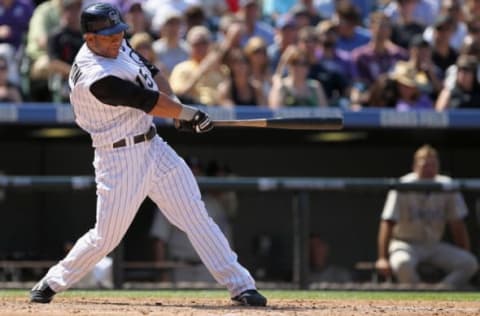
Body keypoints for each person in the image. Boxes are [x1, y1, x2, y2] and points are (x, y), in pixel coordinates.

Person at [29, 3, 267, 307]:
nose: (118, 40)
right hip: (119, 159)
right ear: (90, 39)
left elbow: (151, 73)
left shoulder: (116, 46)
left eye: (119, 34)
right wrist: (188, 113)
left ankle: (240, 285)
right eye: (109, 36)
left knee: (196, 215)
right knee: (106, 238)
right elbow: (145, 99)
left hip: (154, 147)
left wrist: (178, 106)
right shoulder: (95, 77)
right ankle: (51, 282)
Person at [375, 145, 478, 289]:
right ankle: (418, 293)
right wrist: (382, 258)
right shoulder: (402, 185)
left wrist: (464, 251)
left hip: (433, 244)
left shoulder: (447, 185)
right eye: (425, 165)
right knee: (402, 263)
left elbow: (457, 224)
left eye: (433, 165)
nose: (429, 169)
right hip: (405, 243)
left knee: (469, 263)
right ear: (415, 166)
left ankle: (441, 291)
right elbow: (387, 222)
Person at [150, 158, 238, 283]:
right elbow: (159, 239)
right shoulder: (168, 200)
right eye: (191, 172)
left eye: (198, 173)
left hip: (207, 268)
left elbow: (226, 240)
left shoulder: (214, 203)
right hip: (179, 266)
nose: (195, 176)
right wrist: (162, 272)